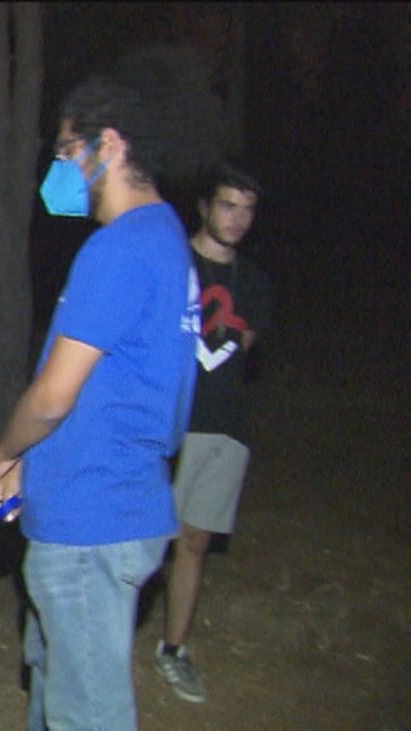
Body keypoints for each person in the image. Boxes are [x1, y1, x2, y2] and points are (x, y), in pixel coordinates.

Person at [0, 49, 216, 730]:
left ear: (106, 146)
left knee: (88, 714)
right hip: (117, 499)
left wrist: (5, 449)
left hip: (92, 513)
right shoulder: (166, 236)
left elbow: (53, 394)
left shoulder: (117, 248)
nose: (57, 168)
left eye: (64, 150)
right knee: (56, 691)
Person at [156, 164, 271, 704]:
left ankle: (172, 649)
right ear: (205, 206)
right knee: (143, 533)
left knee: (193, 540)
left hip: (223, 427)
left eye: (248, 209)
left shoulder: (253, 282)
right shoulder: (173, 262)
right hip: (163, 419)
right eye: (228, 205)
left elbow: (235, 355)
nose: (239, 219)